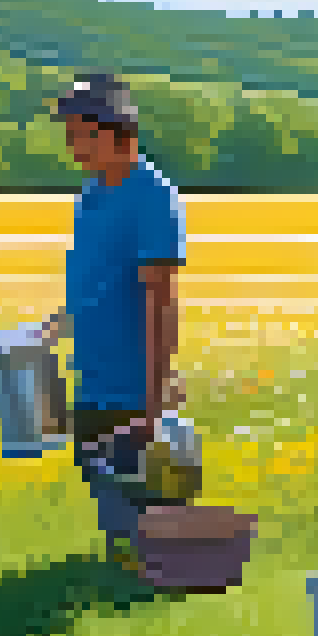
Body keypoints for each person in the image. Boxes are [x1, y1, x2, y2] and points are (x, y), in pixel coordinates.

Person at [52, 72, 190, 574]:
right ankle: (127, 571)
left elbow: (161, 301)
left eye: (82, 135)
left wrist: (155, 400)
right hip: (93, 372)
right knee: (101, 482)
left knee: (141, 489)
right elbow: (96, 275)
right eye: (69, 136)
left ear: (119, 132)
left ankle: (157, 574)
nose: (73, 148)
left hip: (132, 383)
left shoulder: (151, 197)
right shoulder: (91, 194)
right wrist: (57, 324)